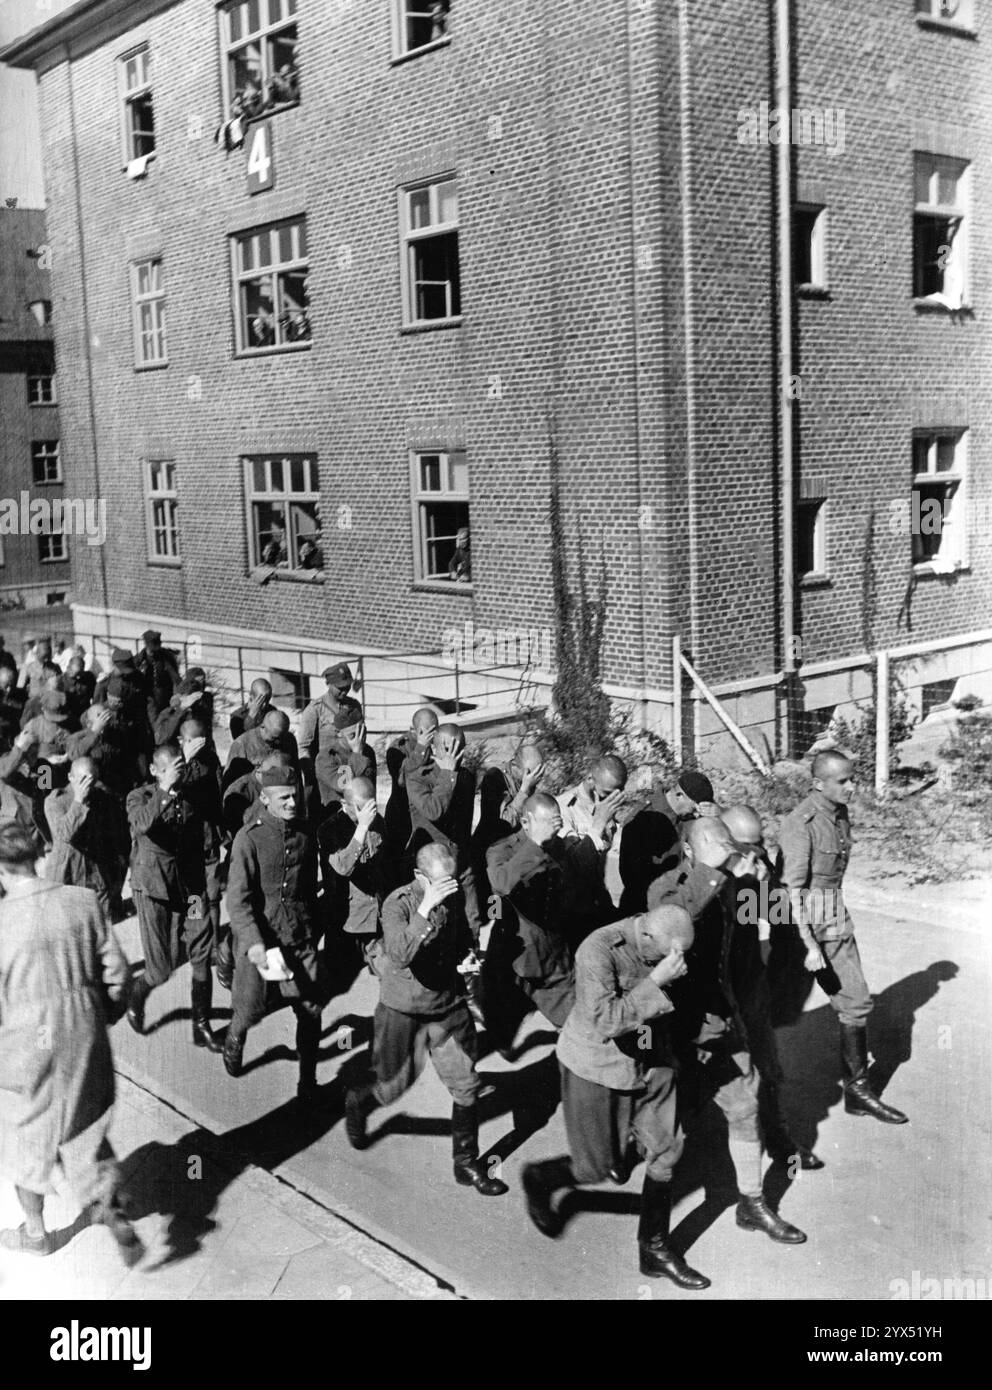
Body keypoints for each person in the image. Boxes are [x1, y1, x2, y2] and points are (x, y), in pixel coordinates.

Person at [521, 904, 712, 1287]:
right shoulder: (599, 949)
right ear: (647, 937)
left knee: (666, 1151)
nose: (677, 962)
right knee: (594, 1168)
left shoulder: (667, 946)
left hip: (651, 1058)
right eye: (669, 953)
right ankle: (541, 1177)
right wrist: (656, 980)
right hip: (597, 1067)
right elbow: (605, 1020)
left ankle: (654, 1249)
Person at [648, 819, 808, 1244]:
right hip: (677, 1029)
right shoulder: (666, 886)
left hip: (722, 1020)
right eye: (727, 846)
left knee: (743, 1106)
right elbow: (678, 923)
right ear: (700, 844)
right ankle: (655, 1244)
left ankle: (752, 1204)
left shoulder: (734, 883)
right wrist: (718, 875)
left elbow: (767, 921)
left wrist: (761, 884)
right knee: (666, 1138)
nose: (735, 853)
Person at [0, 823, 142, 1265]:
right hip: (83, 1031)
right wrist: (104, 1017)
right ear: (39, 856)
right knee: (85, 1118)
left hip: (27, 1042)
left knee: (28, 1136)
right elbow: (118, 974)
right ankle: (107, 1203)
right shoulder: (81, 901)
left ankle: (37, 1232)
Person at [344, 843, 509, 1198]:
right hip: (404, 1008)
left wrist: (467, 960)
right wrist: (425, 906)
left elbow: (463, 935)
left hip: (446, 1006)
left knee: (466, 1084)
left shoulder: (452, 891)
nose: (451, 887)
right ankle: (360, 1102)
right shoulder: (398, 903)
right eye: (441, 882)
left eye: (454, 880)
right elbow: (400, 954)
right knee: (394, 1086)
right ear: (420, 877)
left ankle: (466, 1163)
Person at [777, 751, 908, 1125]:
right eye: (844, 781)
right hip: (799, 924)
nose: (853, 786)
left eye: (853, 778)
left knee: (855, 1000)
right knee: (772, 1010)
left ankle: (858, 1091)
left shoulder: (838, 813)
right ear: (819, 784)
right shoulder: (799, 824)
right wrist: (808, 945)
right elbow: (791, 890)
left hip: (832, 915)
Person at [719, 803, 823, 1170]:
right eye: (747, 846)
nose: (756, 853)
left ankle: (780, 1144)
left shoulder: (757, 874)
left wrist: (767, 885)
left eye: (760, 844)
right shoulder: (701, 875)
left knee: (768, 1064)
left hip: (749, 987)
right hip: (709, 997)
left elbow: (778, 919)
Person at [223, 766, 328, 1105]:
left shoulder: (305, 833)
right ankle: (236, 1035)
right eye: (284, 797)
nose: (293, 802)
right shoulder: (248, 839)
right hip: (262, 939)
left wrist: (314, 926)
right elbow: (237, 900)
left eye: (295, 794)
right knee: (250, 1008)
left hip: (299, 934)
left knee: (311, 1007)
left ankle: (307, 1083)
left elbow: (309, 887)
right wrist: (253, 943)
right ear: (265, 799)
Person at [125, 743, 221, 1053]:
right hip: (153, 889)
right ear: (155, 771)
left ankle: (201, 1024)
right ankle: (136, 998)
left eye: (179, 767)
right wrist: (165, 790)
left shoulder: (192, 796)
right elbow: (142, 824)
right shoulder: (140, 797)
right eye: (168, 769)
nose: (176, 774)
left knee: (201, 951)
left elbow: (206, 844)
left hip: (190, 889)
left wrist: (209, 889)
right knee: (160, 970)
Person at [483, 793, 588, 1052]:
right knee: (500, 1036)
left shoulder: (560, 848)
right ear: (525, 821)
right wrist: (535, 845)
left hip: (554, 962)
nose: (553, 831)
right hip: (514, 962)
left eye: (556, 823)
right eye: (547, 823)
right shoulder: (502, 849)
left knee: (579, 1028)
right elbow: (501, 884)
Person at [405, 722, 482, 937]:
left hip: (460, 860)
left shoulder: (466, 776)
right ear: (435, 748)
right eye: (451, 749)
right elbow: (434, 811)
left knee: (470, 916)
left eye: (461, 749)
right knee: (437, 923)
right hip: (432, 865)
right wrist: (447, 773)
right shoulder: (418, 777)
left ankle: (471, 953)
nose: (458, 755)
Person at [555, 754, 628, 948]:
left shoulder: (609, 806)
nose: (612, 799)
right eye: (607, 793)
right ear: (589, 779)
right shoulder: (563, 808)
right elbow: (570, 862)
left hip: (599, 900)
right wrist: (599, 822)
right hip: (573, 906)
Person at [619, 769, 716, 914]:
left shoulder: (687, 818)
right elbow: (632, 876)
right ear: (680, 796)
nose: (697, 813)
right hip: (644, 910)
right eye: (695, 806)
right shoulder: (644, 817)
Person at [44, 756, 130, 919]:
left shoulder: (103, 797)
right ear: (71, 777)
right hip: (68, 874)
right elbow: (64, 834)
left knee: (103, 927)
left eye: (92, 780)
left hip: (97, 874)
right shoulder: (55, 801)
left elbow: (116, 837)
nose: (88, 787)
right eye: (82, 780)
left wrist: (117, 879)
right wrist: (78, 801)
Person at [317, 775, 386, 980]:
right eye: (360, 809)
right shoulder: (329, 829)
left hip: (374, 915)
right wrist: (362, 828)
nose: (367, 814)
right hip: (346, 919)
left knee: (391, 973)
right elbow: (343, 867)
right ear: (344, 804)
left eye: (371, 808)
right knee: (338, 977)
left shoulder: (378, 822)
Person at [296, 663, 372, 809]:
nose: (344, 691)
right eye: (340, 687)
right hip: (328, 771)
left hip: (354, 763)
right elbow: (303, 747)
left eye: (347, 686)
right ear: (328, 684)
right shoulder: (315, 710)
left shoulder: (354, 705)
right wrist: (311, 776)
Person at [383, 706, 438, 881]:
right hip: (402, 813)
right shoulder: (398, 748)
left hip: (424, 812)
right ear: (416, 730)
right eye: (429, 732)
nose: (433, 736)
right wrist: (422, 747)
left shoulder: (438, 742)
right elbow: (401, 778)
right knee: (397, 863)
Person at [224, 708, 298, 787]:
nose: (278, 742)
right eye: (274, 738)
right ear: (262, 727)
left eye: (282, 737)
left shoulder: (289, 739)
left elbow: (297, 773)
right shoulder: (242, 744)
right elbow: (229, 782)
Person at [134, 630, 181, 717]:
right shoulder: (139, 659)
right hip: (146, 697)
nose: (154, 652)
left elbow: (175, 678)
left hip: (164, 696)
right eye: (152, 650)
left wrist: (177, 694)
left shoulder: (166, 657)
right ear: (147, 646)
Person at [0, 663, 27, 749]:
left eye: (11, 685)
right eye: (6, 685)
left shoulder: (21, 695)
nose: (9, 689)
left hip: (16, 735)